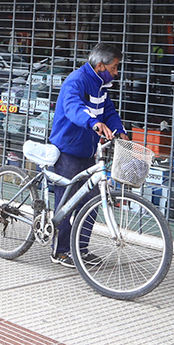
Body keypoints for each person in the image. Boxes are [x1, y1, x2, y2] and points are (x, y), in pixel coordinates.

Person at [49, 42, 129, 268]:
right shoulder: (76, 81)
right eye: (114, 67)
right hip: (67, 151)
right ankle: (61, 251)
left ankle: (79, 249)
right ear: (101, 66)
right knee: (66, 203)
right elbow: (74, 107)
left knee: (93, 201)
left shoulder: (101, 86)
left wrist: (119, 130)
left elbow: (109, 112)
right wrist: (93, 123)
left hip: (88, 152)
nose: (116, 72)